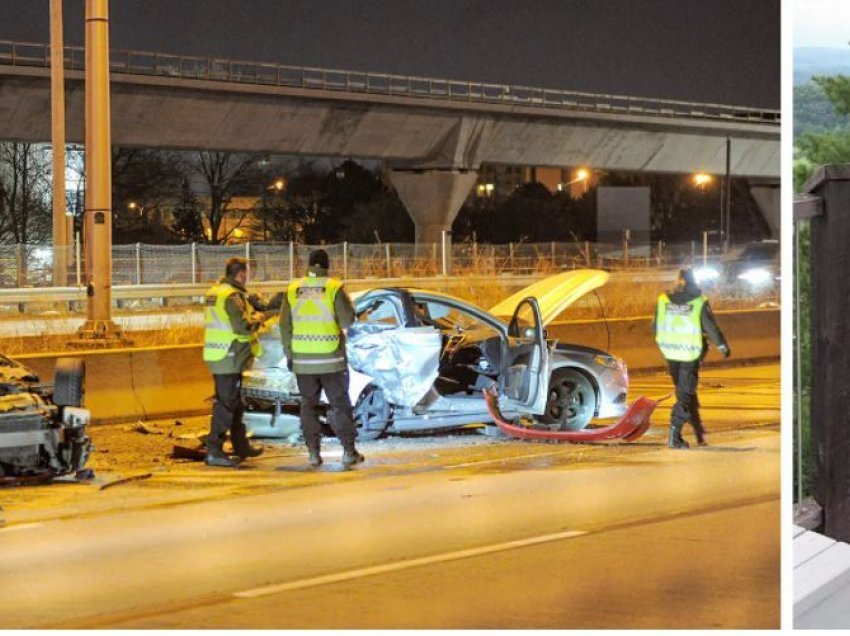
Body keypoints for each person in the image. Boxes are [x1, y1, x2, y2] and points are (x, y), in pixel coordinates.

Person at [279, 248, 363, 468]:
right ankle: (348, 451)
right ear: (327, 266)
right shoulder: (333, 287)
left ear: (308, 265)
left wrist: (290, 354)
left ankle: (314, 454)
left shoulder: (293, 289)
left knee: (308, 406)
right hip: (330, 359)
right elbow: (347, 321)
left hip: (303, 361)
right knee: (340, 404)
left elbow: (284, 326)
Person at [653, 268, 730, 449]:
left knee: (686, 393)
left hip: (670, 352)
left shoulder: (663, 300)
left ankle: (699, 433)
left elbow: (655, 327)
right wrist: (722, 346)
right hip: (689, 353)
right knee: (685, 395)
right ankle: (674, 435)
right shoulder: (699, 302)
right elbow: (710, 327)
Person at [202, 257, 265, 467]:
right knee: (226, 404)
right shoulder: (231, 296)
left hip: (219, 354)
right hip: (229, 355)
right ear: (240, 274)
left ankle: (240, 445)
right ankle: (214, 450)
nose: (248, 277)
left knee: (235, 403)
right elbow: (241, 326)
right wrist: (258, 318)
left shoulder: (215, 292)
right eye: (247, 273)